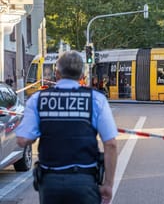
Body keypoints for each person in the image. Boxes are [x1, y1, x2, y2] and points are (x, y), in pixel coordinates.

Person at [15, 51, 118, 204]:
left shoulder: (38, 99)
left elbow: (23, 140)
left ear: (57, 73)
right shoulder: (96, 99)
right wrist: (108, 184)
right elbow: (110, 144)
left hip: (51, 183)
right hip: (85, 182)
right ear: (82, 75)